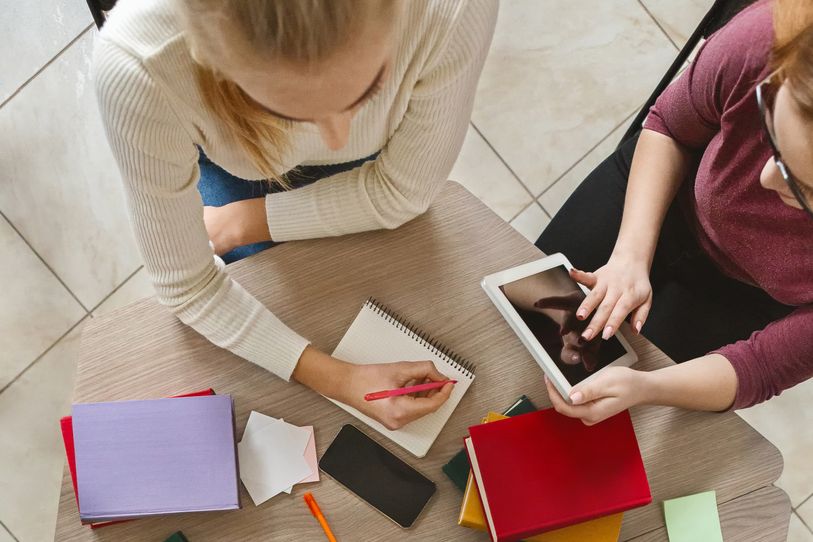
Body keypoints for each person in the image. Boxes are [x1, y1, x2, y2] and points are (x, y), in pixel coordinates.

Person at [93, 0, 497, 429]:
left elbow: (402, 191)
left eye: (370, 89)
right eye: (290, 114)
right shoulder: (138, 67)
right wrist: (340, 379)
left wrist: (242, 222)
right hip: (231, 160)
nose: (339, 140)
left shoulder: (454, 8)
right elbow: (188, 287)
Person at [535, 0, 813, 425]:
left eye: (803, 187)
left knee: (613, 417)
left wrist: (646, 388)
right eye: (772, 133)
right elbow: (670, 126)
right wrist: (629, 257)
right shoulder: (769, 38)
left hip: (740, 297)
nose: (764, 181)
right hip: (664, 186)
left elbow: (761, 366)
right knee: (524, 321)